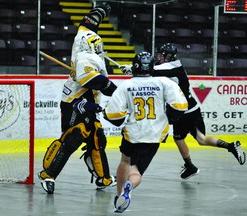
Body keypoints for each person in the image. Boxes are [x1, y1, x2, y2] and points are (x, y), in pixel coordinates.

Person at [38, 2, 117, 194]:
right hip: (75, 102)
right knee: (74, 137)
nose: (99, 44)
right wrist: (115, 90)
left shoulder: (85, 43)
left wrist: (99, 13)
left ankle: (103, 178)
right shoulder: (85, 56)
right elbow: (89, 79)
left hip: (86, 102)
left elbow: (87, 25)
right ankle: (48, 175)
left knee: (97, 138)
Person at [103, 51, 189, 213]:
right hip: (155, 135)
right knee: (136, 171)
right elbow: (180, 106)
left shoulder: (126, 86)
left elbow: (114, 115)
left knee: (125, 162)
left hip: (132, 133)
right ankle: (131, 185)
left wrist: (106, 113)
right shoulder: (164, 82)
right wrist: (170, 118)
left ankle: (119, 196)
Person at [153, 43, 246, 179]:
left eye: (162, 54)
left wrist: (134, 69)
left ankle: (190, 165)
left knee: (180, 138)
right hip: (191, 109)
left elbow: (152, 71)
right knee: (199, 139)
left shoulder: (172, 67)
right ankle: (230, 147)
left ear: (169, 56)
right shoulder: (169, 66)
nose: (159, 57)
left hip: (183, 111)